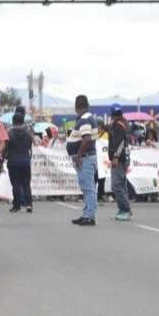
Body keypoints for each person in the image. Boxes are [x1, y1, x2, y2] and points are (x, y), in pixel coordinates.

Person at [68, 95, 98, 226]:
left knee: (88, 188)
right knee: (87, 187)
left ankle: (90, 216)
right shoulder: (87, 118)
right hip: (86, 157)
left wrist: (79, 155)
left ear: (76, 107)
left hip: (85, 157)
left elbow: (86, 139)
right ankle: (86, 213)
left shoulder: (85, 119)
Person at [107, 104, 134, 222]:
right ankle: (123, 209)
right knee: (121, 184)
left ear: (112, 114)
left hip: (120, 158)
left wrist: (116, 157)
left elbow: (120, 142)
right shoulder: (123, 123)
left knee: (116, 185)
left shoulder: (118, 125)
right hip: (124, 157)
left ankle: (126, 210)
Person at [5, 109, 35, 213]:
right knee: (26, 183)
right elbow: (30, 145)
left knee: (16, 184)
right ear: (23, 120)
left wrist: (5, 156)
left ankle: (16, 205)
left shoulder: (9, 132)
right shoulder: (27, 133)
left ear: (13, 121)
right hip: (25, 161)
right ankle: (29, 205)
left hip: (13, 161)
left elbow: (6, 146)